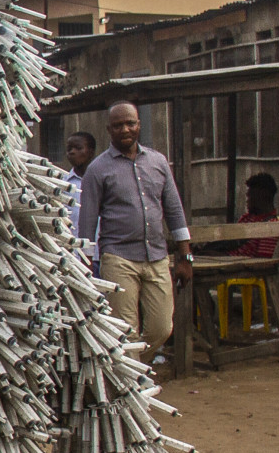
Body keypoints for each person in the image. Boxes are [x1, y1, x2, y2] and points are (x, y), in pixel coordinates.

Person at [77, 102, 192, 363]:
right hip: (118, 258)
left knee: (162, 328)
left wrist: (185, 256)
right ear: (109, 129)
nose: (125, 129)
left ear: (139, 125)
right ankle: (133, 392)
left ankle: (134, 369)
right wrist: (85, 266)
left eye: (131, 123)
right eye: (118, 125)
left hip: (157, 257)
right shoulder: (97, 169)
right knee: (126, 332)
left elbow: (174, 210)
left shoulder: (157, 162)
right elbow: (87, 223)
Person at [199, 173, 279, 258]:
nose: (247, 200)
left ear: (263, 195)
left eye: (251, 196)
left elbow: (262, 262)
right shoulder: (247, 218)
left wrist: (220, 257)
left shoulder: (271, 225)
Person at [64, 131, 98, 259]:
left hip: (101, 255)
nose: (72, 152)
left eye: (78, 148)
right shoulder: (63, 184)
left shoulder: (101, 181)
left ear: (91, 152)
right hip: (74, 256)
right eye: (69, 149)